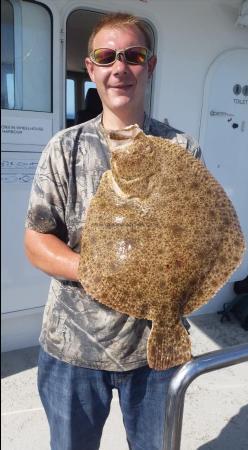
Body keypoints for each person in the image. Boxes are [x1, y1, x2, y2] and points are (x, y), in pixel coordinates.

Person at [24, 12, 203, 450]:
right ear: (91, 69)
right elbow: (36, 238)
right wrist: (93, 268)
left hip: (155, 350)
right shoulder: (63, 149)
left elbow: (197, 238)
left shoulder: (181, 150)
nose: (120, 68)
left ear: (150, 65)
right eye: (106, 57)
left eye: (133, 55)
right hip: (73, 350)